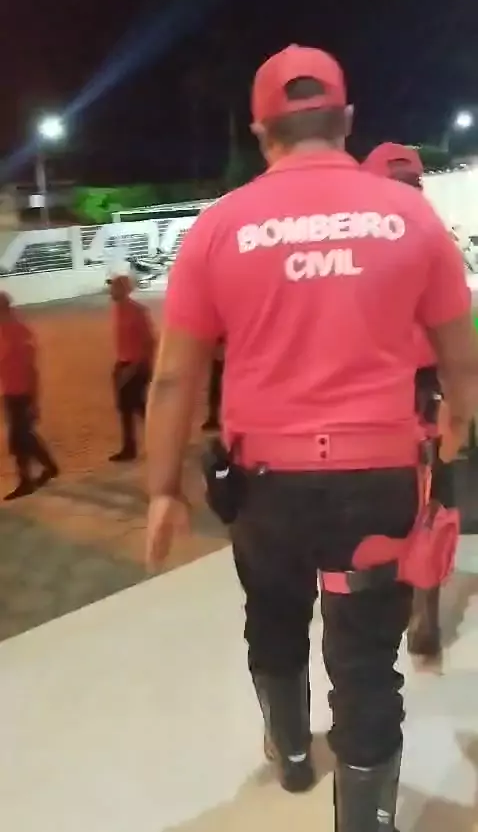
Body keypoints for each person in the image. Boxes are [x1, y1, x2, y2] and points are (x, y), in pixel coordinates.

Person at [145, 45, 476, 830]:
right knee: (366, 664)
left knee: (275, 616)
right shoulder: (410, 217)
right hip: (377, 481)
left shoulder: (220, 226)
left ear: (262, 131)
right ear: (347, 121)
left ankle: (293, 754)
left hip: (267, 489)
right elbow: (462, 358)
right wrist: (457, 428)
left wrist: (161, 490)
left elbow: (173, 379)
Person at [363, 142, 462, 661]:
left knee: (377, 511)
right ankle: (423, 614)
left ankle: (388, 613)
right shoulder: (433, 238)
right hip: (427, 393)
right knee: (432, 507)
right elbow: (458, 335)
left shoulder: (358, 245)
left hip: (377, 399)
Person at [0, 292, 58, 500]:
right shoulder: (4, 329)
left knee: (19, 438)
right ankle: (50, 467)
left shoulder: (20, 332)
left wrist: (34, 401)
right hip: (9, 391)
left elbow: (32, 370)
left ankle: (26, 480)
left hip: (23, 393)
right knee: (25, 436)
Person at [107, 275, 155, 462]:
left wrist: (134, 367)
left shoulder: (137, 311)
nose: (111, 291)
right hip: (123, 363)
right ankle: (129, 447)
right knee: (127, 408)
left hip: (137, 366)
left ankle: (161, 438)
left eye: (115, 287)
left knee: (138, 407)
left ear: (125, 290)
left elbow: (149, 342)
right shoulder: (118, 310)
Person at [202, 339, 224, 432]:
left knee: (217, 392)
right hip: (216, 363)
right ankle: (214, 417)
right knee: (214, 392)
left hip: (221, 363)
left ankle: (215, 417)